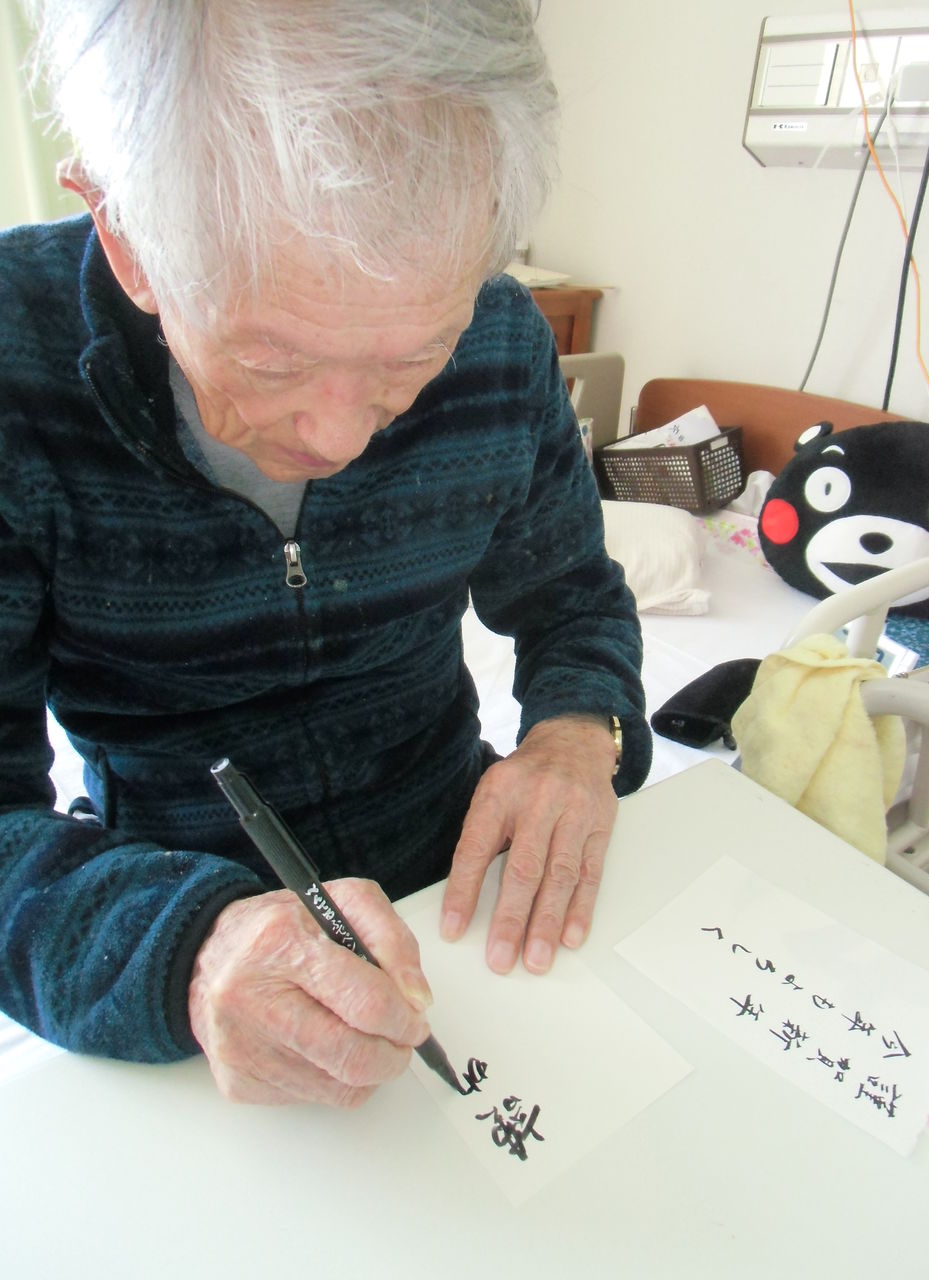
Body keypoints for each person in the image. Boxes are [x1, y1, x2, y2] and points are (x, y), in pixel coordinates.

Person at [0, 0, 650, 1106]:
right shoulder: (15, 368)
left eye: (413, 359)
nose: (341, 439)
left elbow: (573, 597)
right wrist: (190, 950)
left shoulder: (501, 335)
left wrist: (577, 734)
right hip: (171, 940)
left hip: (460, 888)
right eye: (271, 361)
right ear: (125, 236)